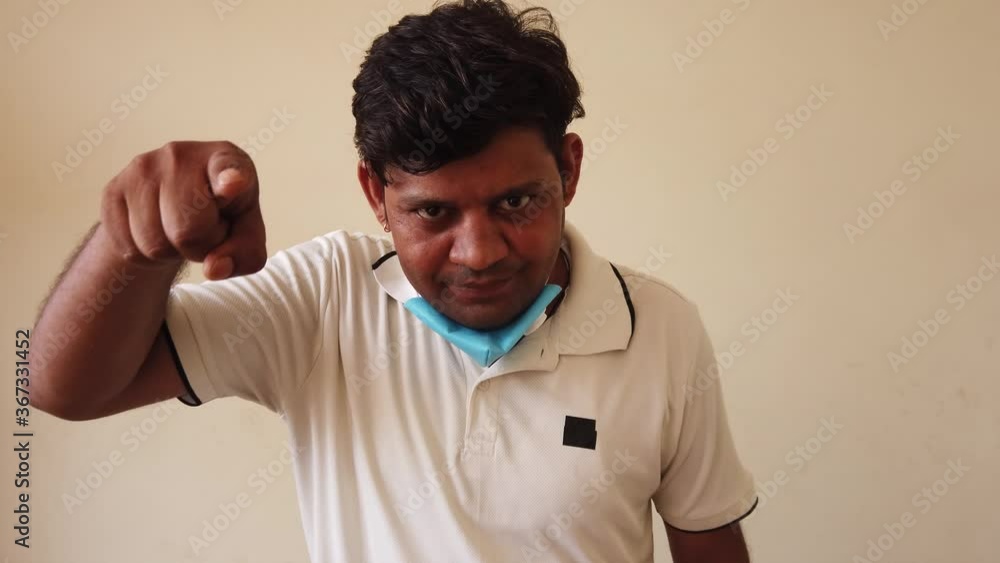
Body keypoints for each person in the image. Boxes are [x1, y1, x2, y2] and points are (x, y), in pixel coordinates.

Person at [31, 0, 758, 561]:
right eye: (433, 212)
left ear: (567, 169)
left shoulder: (659, 328)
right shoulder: (323, 298)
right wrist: (135, 249)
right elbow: (61, 387)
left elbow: (709, 545)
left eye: (516, 202)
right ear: (375, 195)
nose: (478, 253)